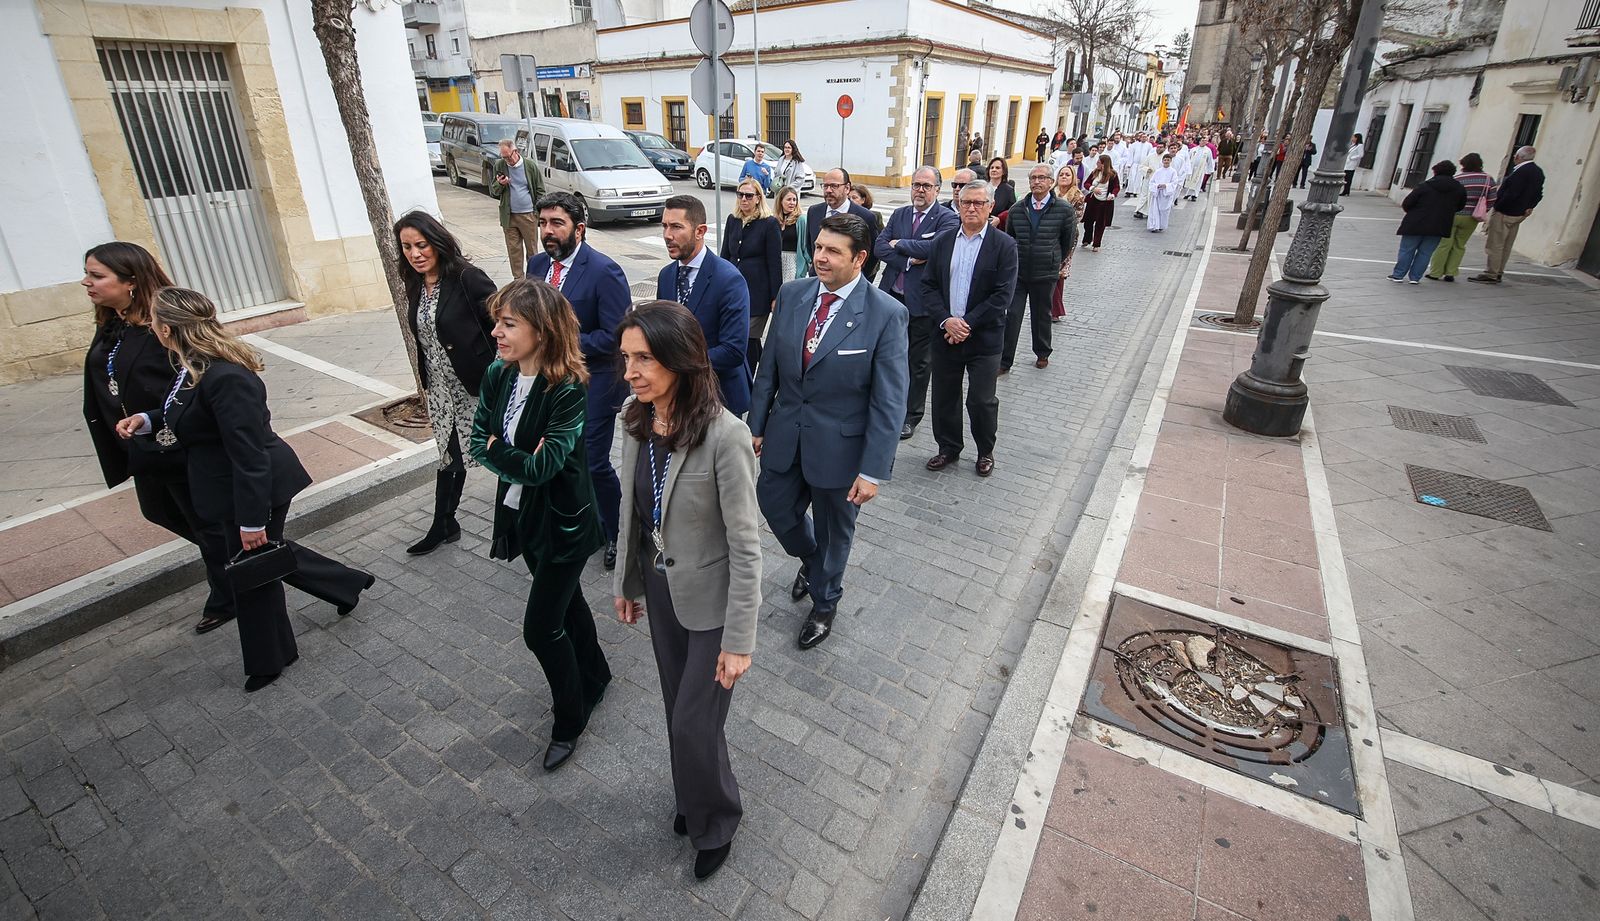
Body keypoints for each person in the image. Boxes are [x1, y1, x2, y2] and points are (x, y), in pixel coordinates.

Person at [116, 288, 373, 692]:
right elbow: (185, 412)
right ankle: (344, 583)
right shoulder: (191, 366)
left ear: (167, 328)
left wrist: (252, 520)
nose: (149, 325)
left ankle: (269, 659)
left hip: (253, 487)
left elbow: (249, 455)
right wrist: (146, 421)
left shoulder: (226, 377)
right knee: (264, 556)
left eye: (152, 319)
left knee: (252, 571)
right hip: (225, 486)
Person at [612, 301, 761, 883]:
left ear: (680, 359)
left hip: (714, 603)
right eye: (626, 359)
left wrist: (740, 640)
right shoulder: (636, 416)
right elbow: (631, 511)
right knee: (679, 709)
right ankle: (691, 799)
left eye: (644, 359)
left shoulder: (726, 435)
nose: (631, 372)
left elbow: (748, 547)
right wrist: (628, 582)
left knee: (693, 723)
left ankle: (717, 818)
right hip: (659, 584)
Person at [469, 279, 610, 772]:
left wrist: (498, 451)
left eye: (509, 323)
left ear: (542, 330)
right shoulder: (498, 374)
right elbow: (475, 443)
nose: (497, 332)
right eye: (497, 322)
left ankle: (570, 718)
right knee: (567, 601)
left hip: (564, 525)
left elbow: (543, 467)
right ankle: (597, 671)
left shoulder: (567, 389)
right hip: (519, 515)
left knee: (541, 628)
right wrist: (507, 454)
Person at [748, 214, 908, 650]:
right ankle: (814, 561)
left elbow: (889, 401)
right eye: (818, 247)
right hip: (785, 436)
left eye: (832, 251)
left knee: (838, 531)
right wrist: (756, 425)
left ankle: (824, 601)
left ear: (859, 258)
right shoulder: (793, 293)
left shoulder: (885, 314)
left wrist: (873, 471)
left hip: (842, 451)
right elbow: (769, 369)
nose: (819, 257)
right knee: (774, 506)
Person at [82, 242, 233, 634]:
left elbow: (195, 378)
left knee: (208, 527)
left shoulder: (162, 326)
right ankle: (238, 564)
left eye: (97, 276)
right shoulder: (112, 323)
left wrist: (160, 423)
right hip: (140, 443)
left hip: (175, 443)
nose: (87, 282)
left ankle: (231, 588)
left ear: (131, 281)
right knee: (161, 512)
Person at [526, 191, 632, 569]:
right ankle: (581, 522)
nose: (548, 231)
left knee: (592, 461)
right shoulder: (537, 265)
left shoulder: (605, 271)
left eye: (557, 223)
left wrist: (562, 342)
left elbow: (617, 338)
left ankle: (616, 531)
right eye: (543, 223)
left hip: (598, 382)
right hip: (550, 383)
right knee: (562, 459)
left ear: (580, 229)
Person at [395, 211, 498, 556]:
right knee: (449, 456)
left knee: (501, 453)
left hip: (476, 387)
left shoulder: (467, 278)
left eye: (421, 245)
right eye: (407, 247)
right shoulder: (414, 284)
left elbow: (502, 323)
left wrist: (500, 372)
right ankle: (444, 523)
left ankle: (526, 518)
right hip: (441, 393)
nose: (415, 253)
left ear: (437, 242)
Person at [920, 180, 1018, 478]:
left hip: (984, 338)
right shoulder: (943, 241)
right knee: (944, 395)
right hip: (945, 334)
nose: (972, 208)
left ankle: (985, 450)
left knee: (981, 399)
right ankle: (948, 447)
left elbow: (1002, 295)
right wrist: (946, 321)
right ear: (958, 205)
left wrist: (966, 324)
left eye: (978, 203)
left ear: (990, 207)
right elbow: (928, 287)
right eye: (966, 203)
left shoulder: (1004, 246)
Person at [875, 166, 959, 441]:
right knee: (886, 356)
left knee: (918, 362)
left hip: (922, 304)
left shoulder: (946, 219)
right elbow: (879, 246)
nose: (919, 190)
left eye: (926, 185)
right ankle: (883, 405)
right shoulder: (899, 214)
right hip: (891, 297)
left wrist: (900, 243)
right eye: (915, 185)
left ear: (937, 189)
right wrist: (909, 259)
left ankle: (911, 416)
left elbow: (936, 248)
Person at [655, 195, 751, 414]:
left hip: (717, 398)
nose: (667, 236)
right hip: (676, 397)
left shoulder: (729, 279)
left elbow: (733, 350)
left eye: (676, 227)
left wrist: (678, 364)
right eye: (665, 226)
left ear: (700, 231)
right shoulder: (666, 275)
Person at [1002, 164, 1078, 372]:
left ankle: (1042, 353)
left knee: (1041, 315)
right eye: (1033, 178)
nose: (1037, 182)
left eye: (1042, 178)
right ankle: (1004, 360)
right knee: (1012, 315)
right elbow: (1010, 239)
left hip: (1045, 273)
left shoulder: (1063, 209)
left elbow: (1067, 240)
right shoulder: (1018, 209)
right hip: (1019, 272)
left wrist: (1054, 259)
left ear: (1050, 181)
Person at [721, 178, 783, 377]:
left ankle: (749, 377)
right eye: (740, 195)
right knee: (738, 336)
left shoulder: (769, 223)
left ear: (758, 198)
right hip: (732, 290)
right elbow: (725, 254)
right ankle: (764, 374)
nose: (744, 199)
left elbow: (774, 262)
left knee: (748, 337)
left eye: (749, 195)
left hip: (757, 293)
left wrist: (776, 296)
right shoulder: (733, 220)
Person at [1470, 145, 1543, 285]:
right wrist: (1530, 206)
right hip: (1520, 213)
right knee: (1507, 244)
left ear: (1518, 157)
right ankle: (1498, 271)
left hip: (1506, 211)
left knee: (1496, 244)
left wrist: (1498, 206)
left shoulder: (1521, 172)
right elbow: (1539, 194)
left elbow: (1512, 193)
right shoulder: (1537, 172)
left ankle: (1491, 273)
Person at [1389, 160, 1467, 284]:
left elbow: (1408, 202)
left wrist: (1412, 211)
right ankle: (1415, 277)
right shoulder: (1459, 188)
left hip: (1416, 222)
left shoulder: (1425, 185)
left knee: (1407, 249)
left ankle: (1398, 275)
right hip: (1440, 224)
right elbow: (1460, 206)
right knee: (1426, 253)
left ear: (1436, 171)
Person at [1426, 153, 1497, 283]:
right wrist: (1483, 210)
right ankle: (1451, 272)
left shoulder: (1458, 179)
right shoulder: (1488, 179)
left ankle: (1435, 272)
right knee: (1460, 245)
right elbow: (1492, 198)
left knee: (1444, 244)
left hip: (1453, 214)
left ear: (1464, 164)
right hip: (1472, 217)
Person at [805, 168, 880, 280]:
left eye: (834, 186)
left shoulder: (865, 216)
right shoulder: (814, 211)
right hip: (819, 279)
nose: (828, 190)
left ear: (847, 188)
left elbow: (872, 255)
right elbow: (810, 245)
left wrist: (855, 276)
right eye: (825, 186)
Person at [491, 139, 545, 280]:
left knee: (532, 250)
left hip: (528, 215)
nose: (508, 160)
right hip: (509, 216)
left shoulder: (530, 166)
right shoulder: (500, 165)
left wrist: (537, 213)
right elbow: (494, 191)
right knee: (514, 250)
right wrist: (500, 184)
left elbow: (540, 190)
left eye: (509, 156)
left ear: (516, 151)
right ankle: (518, 281)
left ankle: (533, 279)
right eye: (504, 157)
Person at [1051, 168, 1086, 322]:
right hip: (1048, 235)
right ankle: (1050, 308)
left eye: (1067, 175)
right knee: (1050, 270)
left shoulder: (1077, 196)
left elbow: (1077, 217)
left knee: (1059, 272)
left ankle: (1055, 310)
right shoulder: (1051, 193)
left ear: (1072, 178)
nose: (1064, 177)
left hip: (1067, 236)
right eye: (1061, 174)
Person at [1081, 154, 1121, 253]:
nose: (1097, 164)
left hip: (1104, 203)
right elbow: (1086, 183)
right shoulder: (1095, 172)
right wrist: (1093, 188)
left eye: (1099, 162)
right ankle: (1087, 239)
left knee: (1100, 224)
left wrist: (1113, 194)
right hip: (1093, 200)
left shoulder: (1113, 175)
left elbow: (1116, 187)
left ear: (1104, 164)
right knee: (1088, 222)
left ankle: (1096, 244)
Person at [848, 183, 886, 282]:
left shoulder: (873, 216)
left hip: (868, 266)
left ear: (863, 200)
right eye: (848, 198)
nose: (851, 201)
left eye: (854, 198)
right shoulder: (844, 216)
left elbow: (880, 241)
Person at [774, 185, 804, 280]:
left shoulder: (800, 220)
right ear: (781, 201)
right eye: (789, 199)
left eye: (794, 200)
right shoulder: (774, 220)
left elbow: (805, 245)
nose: (792, 203)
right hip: (777, 261)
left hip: (793, 261)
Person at [1146, 153, 1179, 232]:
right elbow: (1152, 182)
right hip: (1157, 193)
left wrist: (1166, 186)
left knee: (1164, 210)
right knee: (1155, 210)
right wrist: (1156, 186)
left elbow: (1174, 183)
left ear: (1170, 161)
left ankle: (1161, 225)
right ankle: (1154, 226)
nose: (1166, 161)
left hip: (1166, 194)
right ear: (1162, 161)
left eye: (1168, 160)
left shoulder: (1173, 172)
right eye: (1165, 160)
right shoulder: (1158, 171)